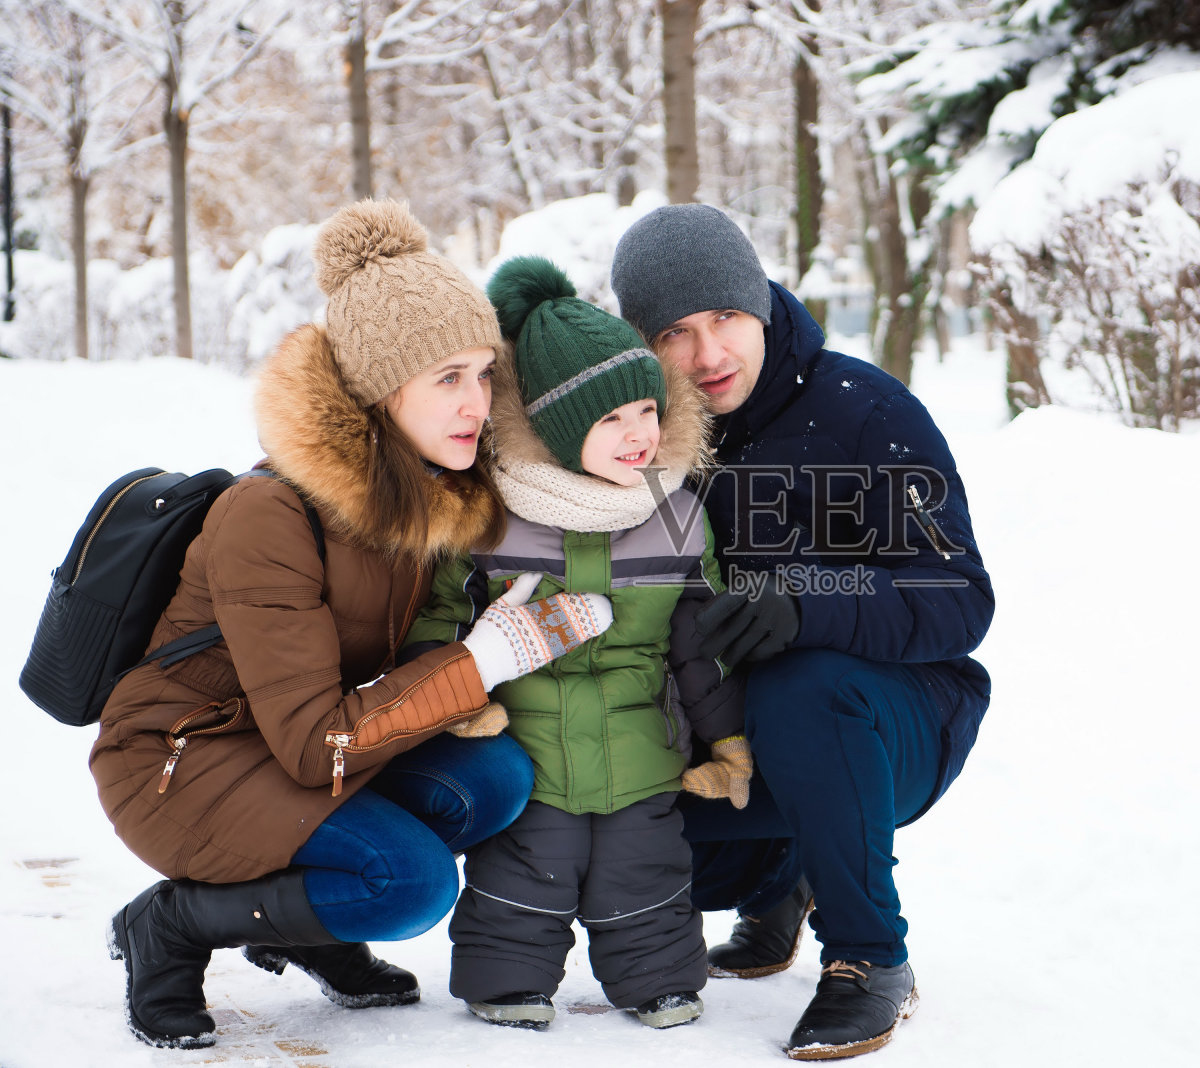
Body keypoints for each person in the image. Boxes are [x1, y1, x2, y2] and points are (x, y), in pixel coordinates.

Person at [91, 201, 614, 1050]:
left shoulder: (423, 493)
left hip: (291, 739)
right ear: (379, 391)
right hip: (184, 758)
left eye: (484, 374)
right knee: (408, 887)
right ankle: (172, 926)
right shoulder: (268, 514)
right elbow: (314, 746)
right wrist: (477, 662)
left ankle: (305, 926)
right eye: (448, 377)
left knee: (493, 778)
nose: (477, 402)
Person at [610, 204, 995, 1060]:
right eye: (676, 332)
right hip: (737, 726)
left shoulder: (862, 411)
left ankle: (868, 957)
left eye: (726, 318)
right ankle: (779, 880)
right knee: (617, 805)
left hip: (900, 714)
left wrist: (807, 601)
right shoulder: (647, 440)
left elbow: (959, 598)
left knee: (802, 686)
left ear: (763, 303)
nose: (710, 355)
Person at [404, 256, 748, 1033]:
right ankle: (507, 981)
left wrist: (725, 737)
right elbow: (440, 616)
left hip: (643, 742)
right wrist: (462, 699)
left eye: (646, 412)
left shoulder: (680, 515)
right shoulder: (496, 515)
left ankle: (658, 982)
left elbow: (702, 642)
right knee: (525, 867)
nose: (638, 436)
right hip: (527, 745)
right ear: (560, 434)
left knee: (646, 868)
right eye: (609, 420)